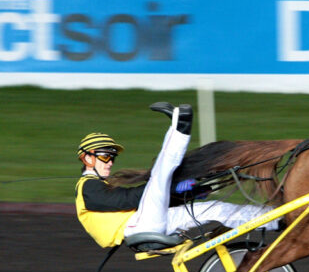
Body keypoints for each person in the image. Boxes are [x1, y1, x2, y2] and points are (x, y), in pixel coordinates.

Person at [75, 102, 278, 249]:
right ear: (87, 159)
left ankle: (276, 220)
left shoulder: (96, 186)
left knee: (216, 209)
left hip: (152, 221)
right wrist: (171, 188)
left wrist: (192, 192)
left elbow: (145, 200)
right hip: (137, 227)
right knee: (159, 177)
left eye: (112, 157)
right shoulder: (87, 188)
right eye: (104, 156)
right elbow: (127, 199)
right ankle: (179, 128)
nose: (110, 161)